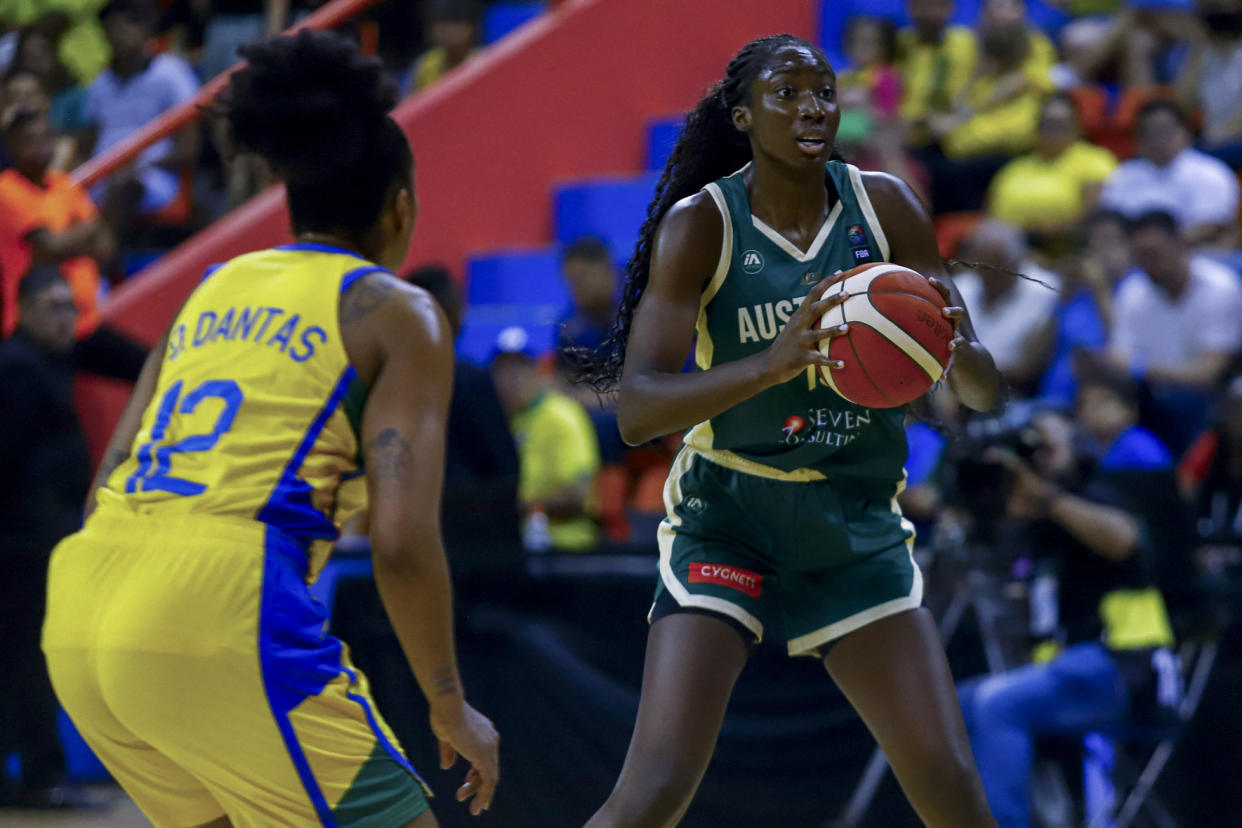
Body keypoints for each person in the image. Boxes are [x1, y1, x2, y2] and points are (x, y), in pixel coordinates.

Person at [41, 31, 498, 827]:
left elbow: (112, 469)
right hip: (222, 604)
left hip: (85, 605)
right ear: (402, 207)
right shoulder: (398, 312)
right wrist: (449, 702)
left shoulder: (214, 287)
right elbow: (399, 543)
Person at [576, 35, 1002, 827]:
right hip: (729, 517)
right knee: (657, 788)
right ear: (743, 116)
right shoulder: (702, 225)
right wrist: (772, 365)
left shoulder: (887, 205)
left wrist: (956, 349)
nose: (812, 106)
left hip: (853, 519)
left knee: (952, 790)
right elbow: (637, 409)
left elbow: (984, 392)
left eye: (825, 91)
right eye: (787, 92)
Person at [957, 372, 1181, 828]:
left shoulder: (1096, 495)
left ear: (1076, 447)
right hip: (1062, 669)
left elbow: (1122, 541)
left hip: (1126, 666)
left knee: (999, 706)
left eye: (1047, 447)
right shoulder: (1031, 525)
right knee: (958, 702)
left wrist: (1050, 499)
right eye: (1030, 452)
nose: (1036, 461)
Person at [0, 268, 91, 810]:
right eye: (53, 307)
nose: (65, 318)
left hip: (39, 544)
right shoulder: (18, 369)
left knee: (27, 660)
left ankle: (33, 772)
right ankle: (37, 775)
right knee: (26, 662)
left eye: (70, 307)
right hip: (20, 548)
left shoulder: (45, 364)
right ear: (25, 309)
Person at [405, 264, 522, 570]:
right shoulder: (469, 380)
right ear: (450, 311)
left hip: (414, 540)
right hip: (474, 550)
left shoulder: (389, 383)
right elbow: (506, 470)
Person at [1107, 209, 1242, 449]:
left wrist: (1140, 366)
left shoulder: (1220, 287)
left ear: (1180, 244)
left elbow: (1208, 374)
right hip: (1148, 397)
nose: (1148, 264)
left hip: (1209, 400)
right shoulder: (1133, 290)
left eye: (1154, 254)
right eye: (1141, 256)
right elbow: (1117, 359)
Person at [84, 0, 200, 244]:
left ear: (144, 31)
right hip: (102, 174)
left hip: (154, 175)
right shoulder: (99, 83)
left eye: (124, 28)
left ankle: (105, 266)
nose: (117, 37)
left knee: (125, 183)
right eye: (110, 30)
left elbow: (188, 148)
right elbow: (88, 144)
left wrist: (141, 164)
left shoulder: (171, 72)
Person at [493, 325, 601, 552]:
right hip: (511, 542)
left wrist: (518, 507)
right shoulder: (498, 420)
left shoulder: (562, 416)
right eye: (502, 370)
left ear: (540, 371)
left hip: (562, 544)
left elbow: (578, 494)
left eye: (519, 369)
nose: (510, 380)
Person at [1098, 99, 1239, 251]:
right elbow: (1109, 222)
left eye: (1164, 131)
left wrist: (1157, 249)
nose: (1157, 140)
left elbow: (1211, 226)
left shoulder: (1210, 172)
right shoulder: (1124, 174)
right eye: (1148, 133)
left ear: (1185, 132)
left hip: (1196, 255)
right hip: (1130, 258)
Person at [986, 93, 1117, 248]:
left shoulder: (1095, 161)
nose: (1052, 131)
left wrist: (1043, 234)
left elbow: (1093, 217)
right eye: (1046, 124)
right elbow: (990, 219)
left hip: (1072, 248)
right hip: (1014, 251)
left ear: (1077, 127)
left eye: (1060, 124)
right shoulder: (1013, 169)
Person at [953, 220, 1061, 396]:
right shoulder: (962, 287)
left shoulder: (1047, 291)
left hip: (1017, 393)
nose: (989, 278)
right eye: (983, 269)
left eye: (997, 270)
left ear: (1018, 261)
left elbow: (1028, 366)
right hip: (958, 388)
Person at [407, 0, 481, 94]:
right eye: (442, 23)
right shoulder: (424, 65)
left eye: (455, 22)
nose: (448, 30)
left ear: (472, 27)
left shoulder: (483, 63)